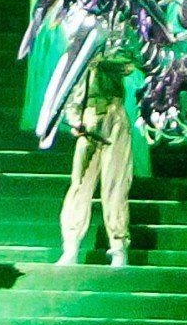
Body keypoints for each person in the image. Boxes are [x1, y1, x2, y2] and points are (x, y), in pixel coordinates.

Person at [58, 51, 137, 266]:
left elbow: (128, 64)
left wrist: (99, 57)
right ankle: (71, 245)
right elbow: (71, 77)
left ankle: (119, 246)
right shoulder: (83, 39)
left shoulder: (116, 36)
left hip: (114, 115)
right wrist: (74, 117)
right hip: (89, 116)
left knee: (116, 183)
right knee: (80, 184)